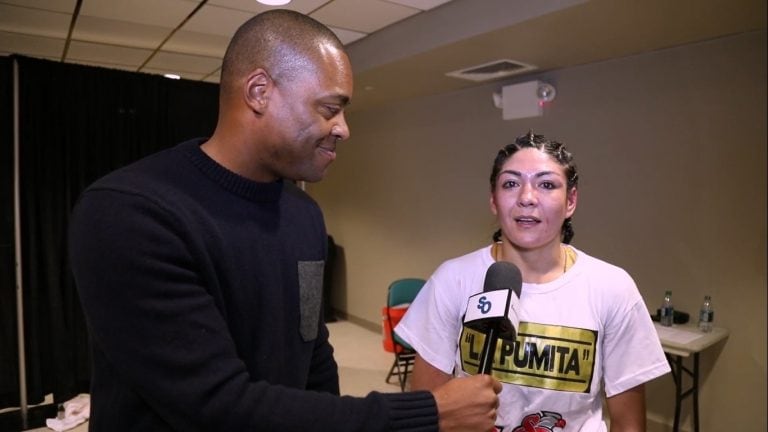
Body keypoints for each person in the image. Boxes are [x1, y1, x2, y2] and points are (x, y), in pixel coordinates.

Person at [68, 9, 500, 432]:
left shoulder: (303, 214)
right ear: (259, 92)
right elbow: (214, 405)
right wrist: (428, 413)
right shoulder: (131, 212)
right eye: (330, 108)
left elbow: (311, 353)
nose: (344, 128)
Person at [395, 131, 670, 432]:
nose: (527, 198)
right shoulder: (453, 279)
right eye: (511, 184)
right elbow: (431, 409)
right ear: (493, 200)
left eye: (547, 184)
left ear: (571, 201)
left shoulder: (613, 288)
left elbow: (628, 423)